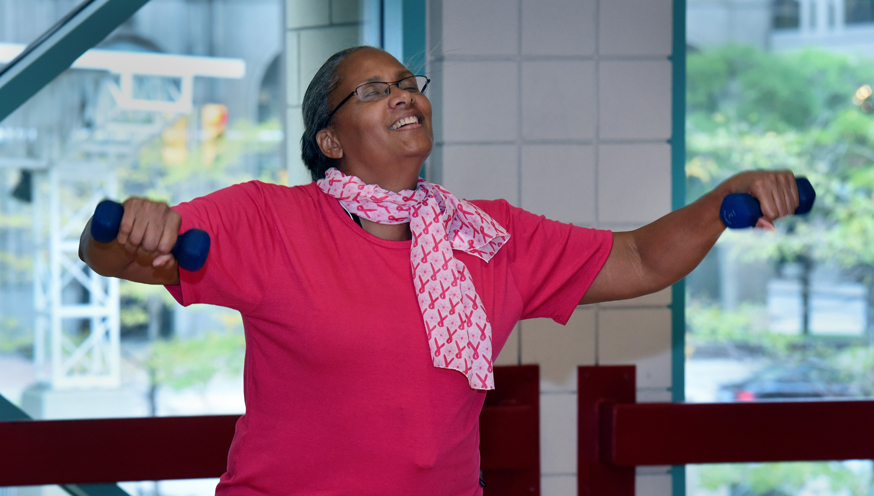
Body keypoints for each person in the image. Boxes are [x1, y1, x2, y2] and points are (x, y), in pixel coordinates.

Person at [79, 46, 801, 495]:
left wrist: (721, 199)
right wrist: (138, 230)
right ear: (329, 139)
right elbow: (112, 255)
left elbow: (639, 259)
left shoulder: (488, 237)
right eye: (372, 89)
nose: (402, 93)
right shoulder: (271, 220)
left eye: (406, 81)